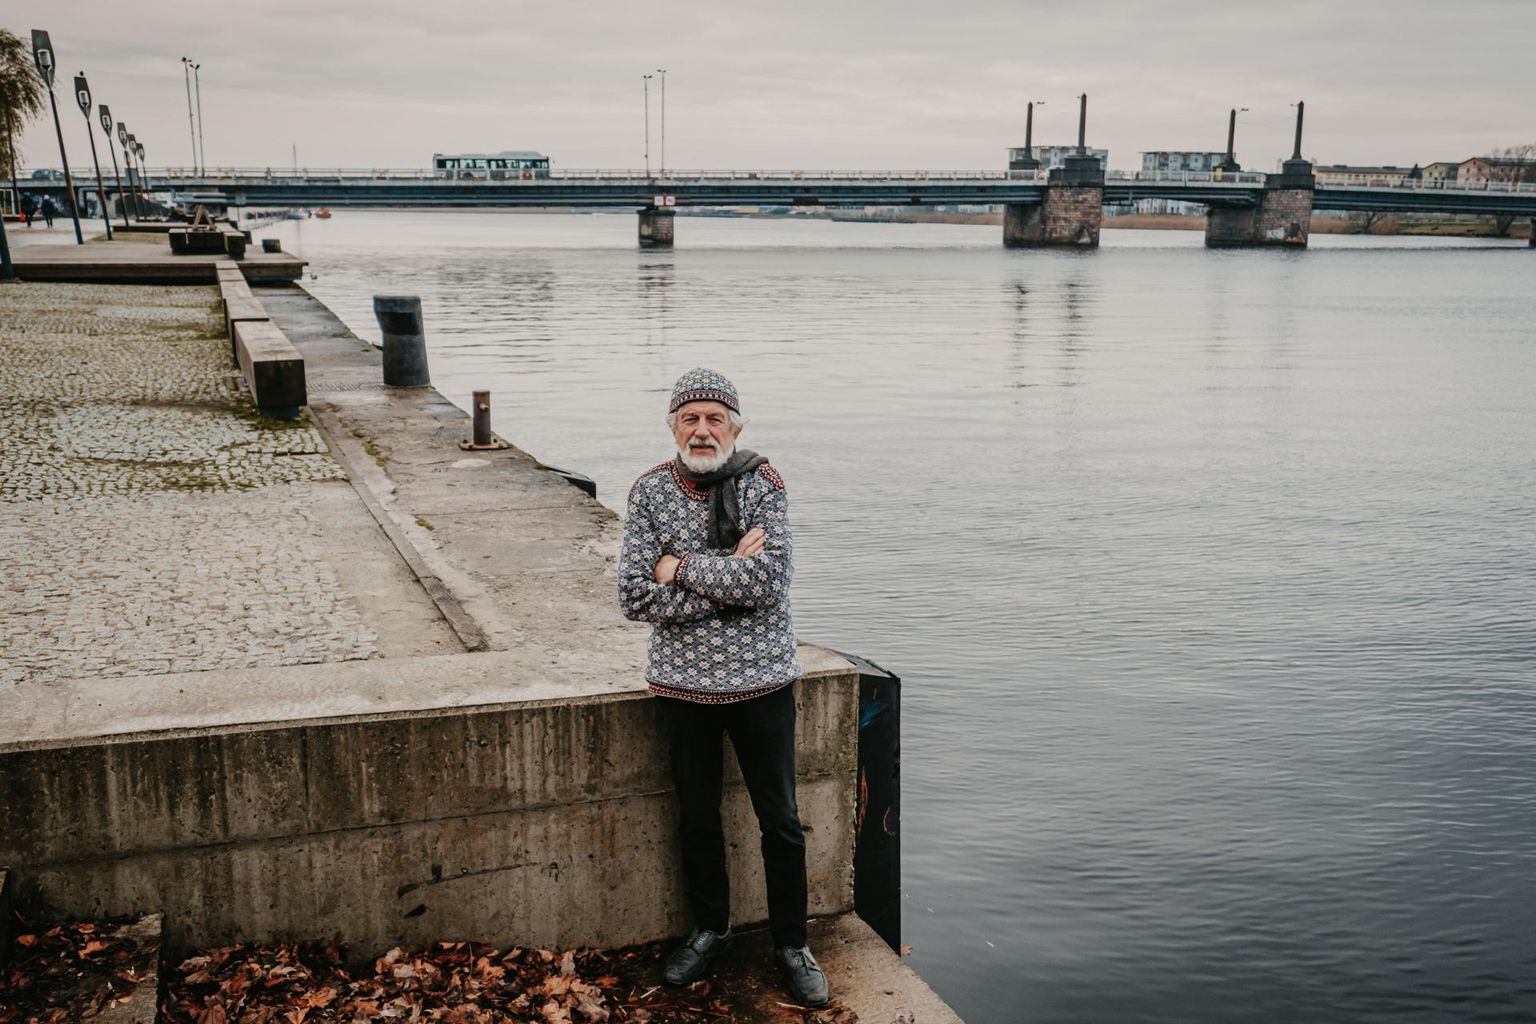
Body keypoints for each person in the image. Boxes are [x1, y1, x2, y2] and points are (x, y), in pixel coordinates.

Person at [618, 368, 829, 1008]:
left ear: (735, 426)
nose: (703, 430)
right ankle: (710, 929)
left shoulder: (763, 482)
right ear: (673, 426)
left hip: (763, 681)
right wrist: (725, 581)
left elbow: (768, 582)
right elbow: (633, 594)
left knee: (782, 821)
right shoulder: (650, 491)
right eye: (691, 418)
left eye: (715, 418)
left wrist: (678, 569)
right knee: (697, 817)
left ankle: (792, 944)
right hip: (683, 686)